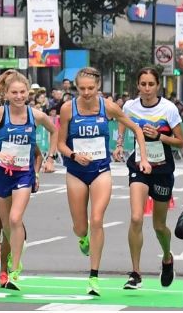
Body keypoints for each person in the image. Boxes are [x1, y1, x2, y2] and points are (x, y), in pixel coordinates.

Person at [57, 67, 149, 296]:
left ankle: (94, 277)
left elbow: (136, 128)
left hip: (100, 170)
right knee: (80, 228)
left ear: (98, 87)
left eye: (91, 88)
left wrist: (143, 158)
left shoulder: (107, 106)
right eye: (82, 88)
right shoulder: (68, 109)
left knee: (96, 219)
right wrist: (74, 155)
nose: (86, 93)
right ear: (76, 87)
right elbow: (60, 144)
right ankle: (83, 238)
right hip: (76, 171)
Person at [0, 70, 56, 290]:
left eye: (23, 92)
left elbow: (54, 131)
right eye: (14, 92)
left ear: (28, 93)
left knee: (14, 220)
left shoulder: (37, 116)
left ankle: (10, 270)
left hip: (23, 174)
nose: (19, 96)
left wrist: (50, 158)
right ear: (7, 93)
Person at [115, 67, 183, 290]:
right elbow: (123, 124)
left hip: (162, 171)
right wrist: (119, 145)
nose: (146, 89)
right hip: (138, 166)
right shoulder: (130, 106)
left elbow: (181, 142)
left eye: (150, 84)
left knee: (159, 225)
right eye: (142, 84)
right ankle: (135, 273)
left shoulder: (169, 109)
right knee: (136, 217)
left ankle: (166, 257)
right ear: (137, 85)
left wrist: (160, 136)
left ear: (157, 86)